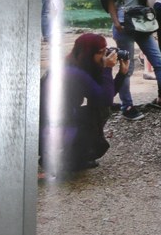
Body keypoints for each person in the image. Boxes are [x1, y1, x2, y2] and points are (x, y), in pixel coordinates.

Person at [39, 33, 126, 175]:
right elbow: (104, 99)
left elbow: (104, 95)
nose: (105, 56)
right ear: (88, 53)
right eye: (101, 52)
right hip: (47, 128)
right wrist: (107, 69)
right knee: (98, 113)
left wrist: (121, 74)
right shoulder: (72, 72)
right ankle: (60, 159)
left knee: (99, 110)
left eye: (106, 50)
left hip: (55, 123)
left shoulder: (78, 64)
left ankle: (67, 156)